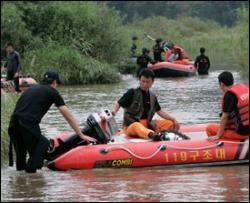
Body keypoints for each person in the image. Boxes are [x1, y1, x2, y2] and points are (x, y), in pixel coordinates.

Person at [8, 70, 96, 173]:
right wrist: (80, 134)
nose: (57, 86)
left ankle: (21, 183)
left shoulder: (30, 89)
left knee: (21, 157)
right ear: (54, 82)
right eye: (57, 84)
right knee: (43, 144)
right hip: (27, 124)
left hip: (13, 124)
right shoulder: (52, 91)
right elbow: (67, 115)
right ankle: (31, 176)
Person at [112, 69, 180, 141]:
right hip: (131, 126)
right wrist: (113, 112)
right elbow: (118, 103)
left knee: (170, 123)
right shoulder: (132, 92)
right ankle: (153, 136)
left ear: (152, 82)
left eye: (147, 82)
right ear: (139, 80)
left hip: (147, 125)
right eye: (143, 81)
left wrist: (173, 119)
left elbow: (159, 111)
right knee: (136, 125)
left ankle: (159, 134)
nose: (145, 84)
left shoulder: (152, 96)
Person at [206, 71, 249, 141]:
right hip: (246, 129)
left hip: (242, 134)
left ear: (222, 84)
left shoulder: (229, 95)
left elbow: (224, 118)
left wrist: (218, 135)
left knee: (209, 128)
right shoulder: (244, 88)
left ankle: (225, 147)